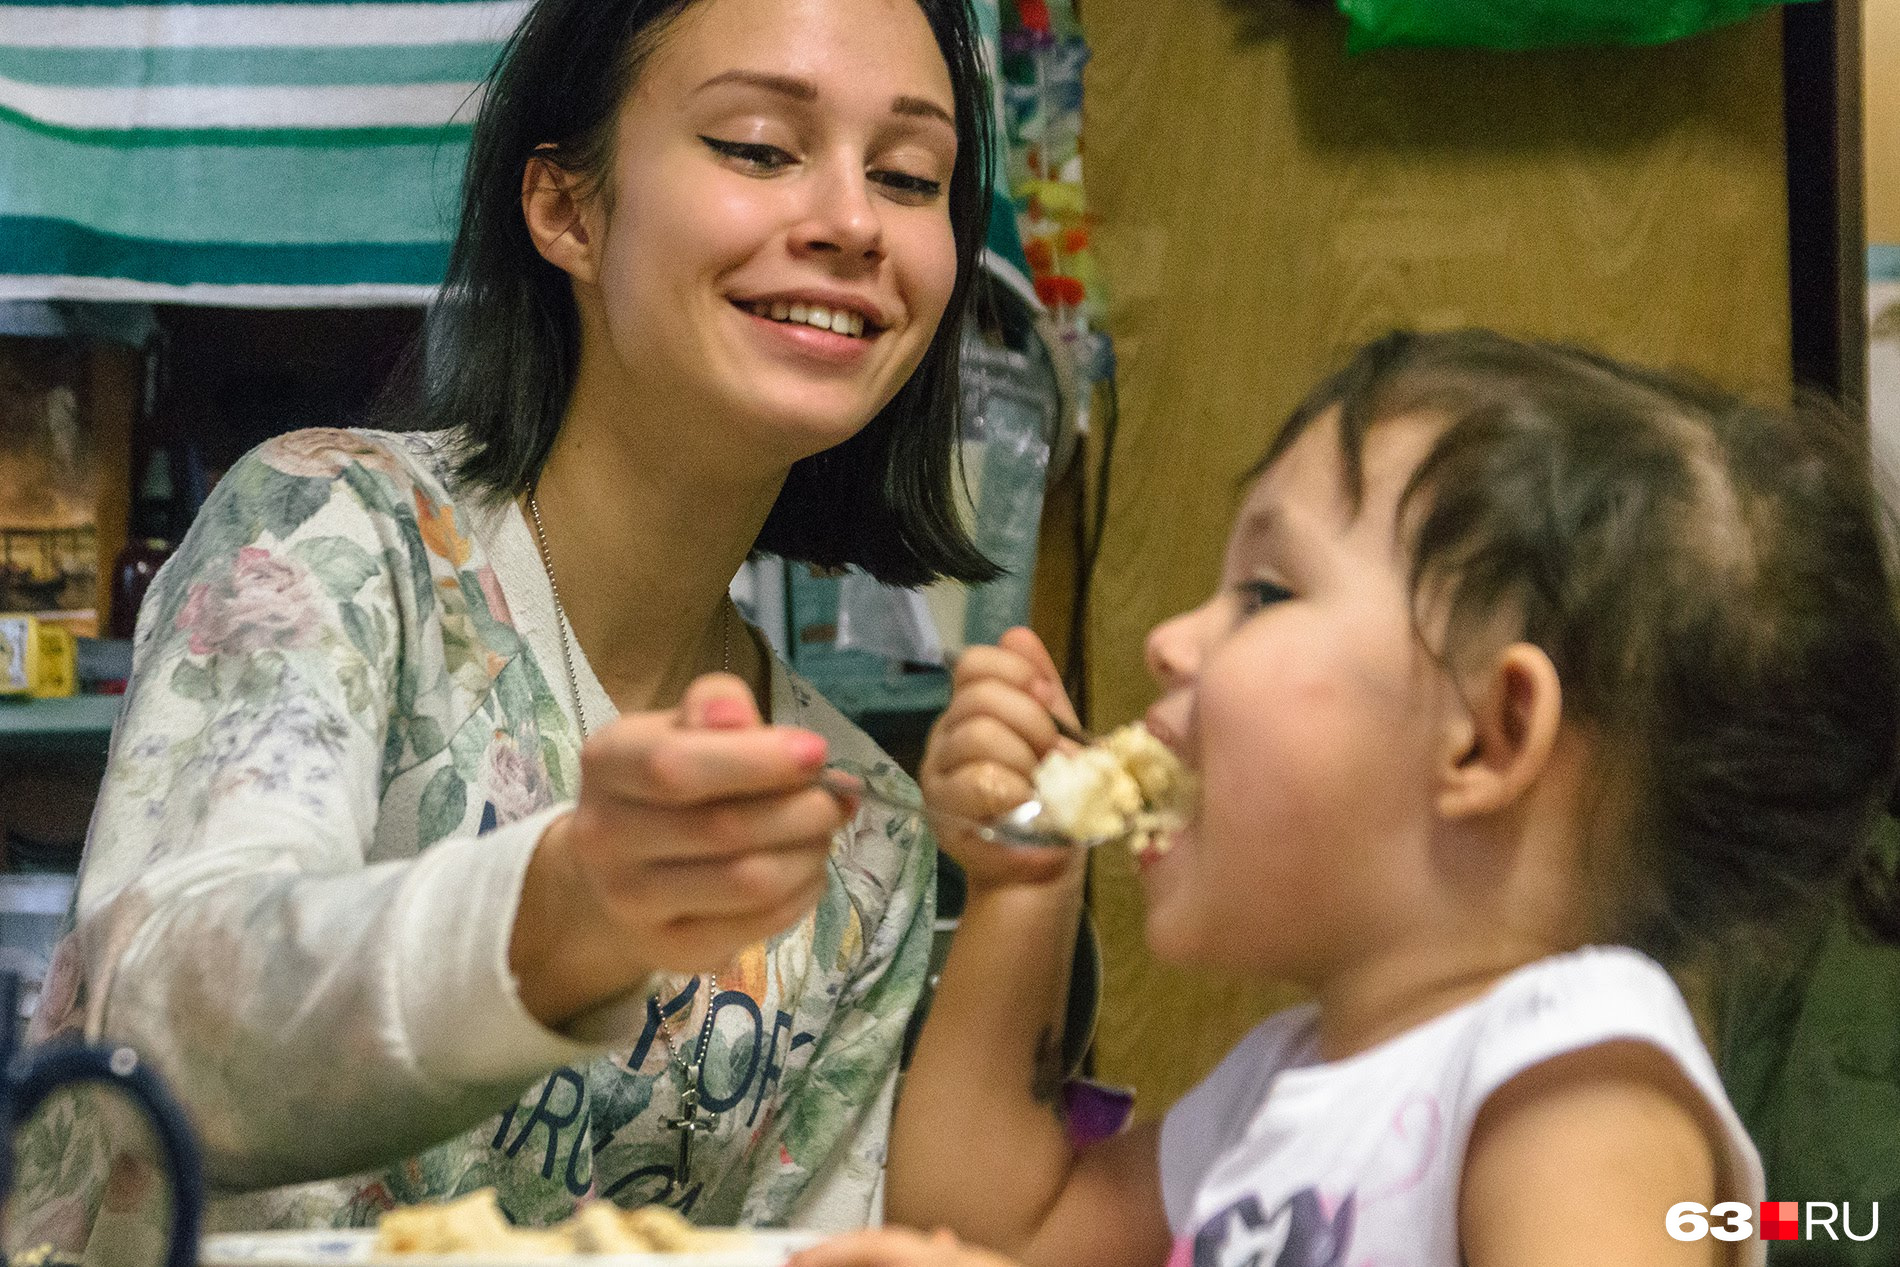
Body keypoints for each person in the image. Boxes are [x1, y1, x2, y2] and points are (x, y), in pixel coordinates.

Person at [9, 0, 1008, 1254]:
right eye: (758, 145)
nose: (854, 221)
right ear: (566, 209)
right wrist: (552, 914)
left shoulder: (859, 836)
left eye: (909, 175)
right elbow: (157, 1030)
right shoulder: (334, 531)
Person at [792, 329, 1900, 1267]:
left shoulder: (1572, 1075)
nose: (1168, 640)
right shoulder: (1284, 1086)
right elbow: (996, 1232)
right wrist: (1022, 887)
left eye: (1265, 593)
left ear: (1490, 735)